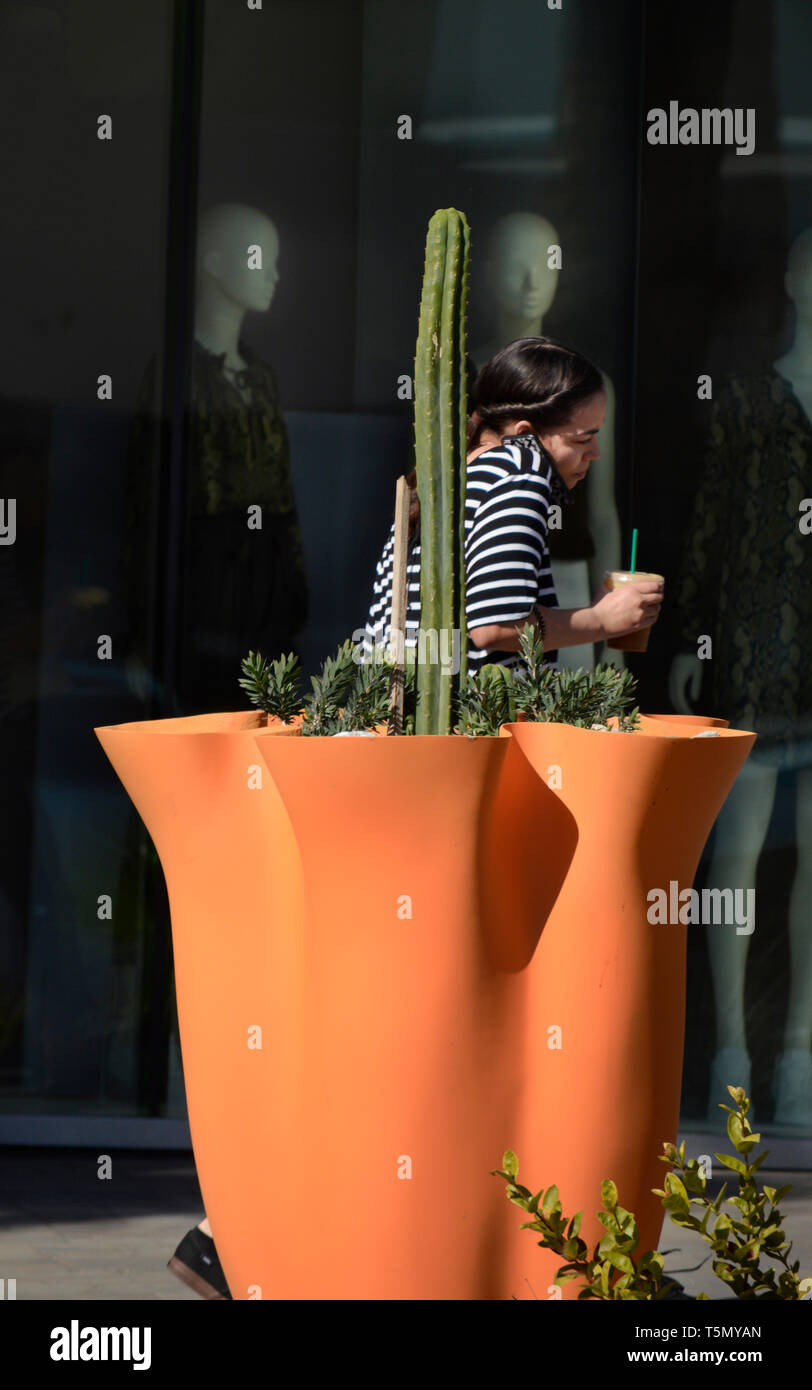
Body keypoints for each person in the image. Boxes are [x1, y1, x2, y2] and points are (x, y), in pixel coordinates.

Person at [363, 336, 662, 671]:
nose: (595, 453)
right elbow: (495, 626)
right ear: (525, 434)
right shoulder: (520, 471)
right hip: (470, 720)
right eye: (582, 438)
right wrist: (602, 620)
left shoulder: (456, 470)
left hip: (398, 709)